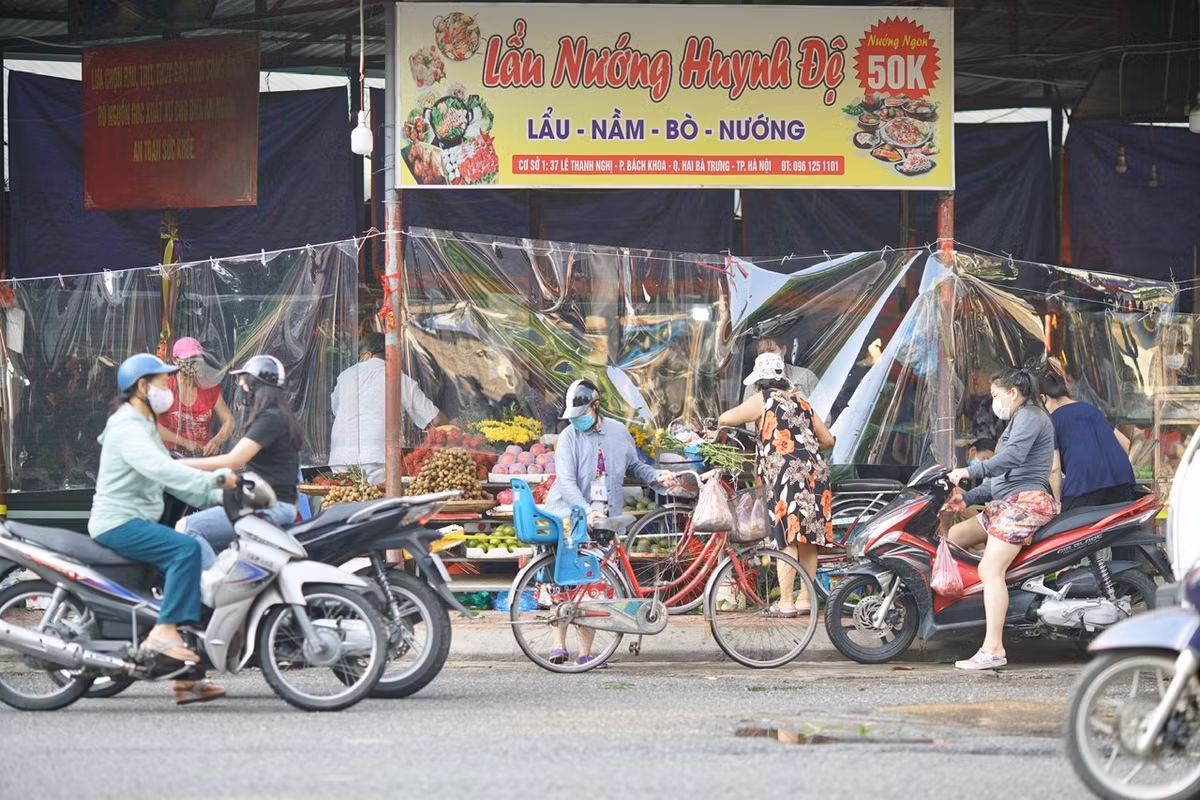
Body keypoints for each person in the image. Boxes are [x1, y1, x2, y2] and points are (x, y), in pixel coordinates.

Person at [89, 353, 237, 705]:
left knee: (183, 585)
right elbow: (163, 470)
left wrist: (217, 497)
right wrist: (216, 481)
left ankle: (188, 680)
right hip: (120, 523)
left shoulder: (144, 423)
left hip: (138, 520)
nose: (167, 388)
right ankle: (163, 634)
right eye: (161, 382)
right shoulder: (128, 426)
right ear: (143, 387)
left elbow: (171, 481)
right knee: (186, 549)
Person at [541, 378, 678, 667]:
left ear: (596, 406)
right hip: (570, 517)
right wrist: (585, 511)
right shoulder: (568, 438)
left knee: (595, 585)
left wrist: (657, 476)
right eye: (572, 417)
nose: (576, 421)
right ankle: (558, 645)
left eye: (581, 414)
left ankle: (586, 653)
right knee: (563, 583)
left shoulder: (618, 432)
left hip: (604, 519)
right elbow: (566, 482)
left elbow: (635, 466)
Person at [945, 368, 1059, 670]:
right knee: (952, 539)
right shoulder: (1019, 420)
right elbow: (1002, 478)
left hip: (1026, 504)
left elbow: (1010, 460)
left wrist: (970, 470)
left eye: (995, 395)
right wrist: (967, 498)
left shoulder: (1031, 416)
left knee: (990, 568)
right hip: (1006, 503)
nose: (993, 401)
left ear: (1013, 392)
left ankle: (993, 648)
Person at [717, 352, 835, 615]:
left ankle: (786, 602)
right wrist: (803, 446)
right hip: (816, 474)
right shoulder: (801, 401)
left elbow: (726, 418)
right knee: (807, 539)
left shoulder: (763, 399)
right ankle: (805, 599)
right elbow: (828, 440)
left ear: (759, 381)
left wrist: (718, 431)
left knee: (786, 538)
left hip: (786, 474)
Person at [176, 355, 304, 568]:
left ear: (255, 386)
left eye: (244, 383)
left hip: (269, 505)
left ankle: (214, 580)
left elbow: (234, 460)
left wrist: (181, 465)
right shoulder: (278, 415)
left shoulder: (271, 418)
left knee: (188, 527)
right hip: (263, 499)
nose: (241, 388)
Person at [329, 332, 448, 484]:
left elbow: (336, 410)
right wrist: (453, 425)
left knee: (344, 497)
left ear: (366, 355)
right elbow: (436, 419)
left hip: (339, 458)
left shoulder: (344, 376)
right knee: (376, 497)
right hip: (376, 458)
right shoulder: (397, 377)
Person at [1039, 370, 1136, 512]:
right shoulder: (1091, 410)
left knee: (1065, 524)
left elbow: (1054, 469)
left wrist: (1058, 502)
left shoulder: (1051, 421)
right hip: (1122, 482)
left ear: (1043, 398)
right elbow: (1125, 443)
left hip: (1084, 486)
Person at [157, 337, 235, 456]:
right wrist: (184, 442)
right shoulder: (165, 386)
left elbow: (229, 420)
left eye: (197, 358)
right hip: (168, 456)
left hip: (201, 457)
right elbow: (149, 423)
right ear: (175, 360)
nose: (194, 363)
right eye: (189, 359)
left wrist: (216, 441)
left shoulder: (209, 388)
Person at [742, 336, 819, 401]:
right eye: (762, 353)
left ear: (783, 350)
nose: (767, 356)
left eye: (771, 351)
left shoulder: (805, 377)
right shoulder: (751, 388)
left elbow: (821, 409)